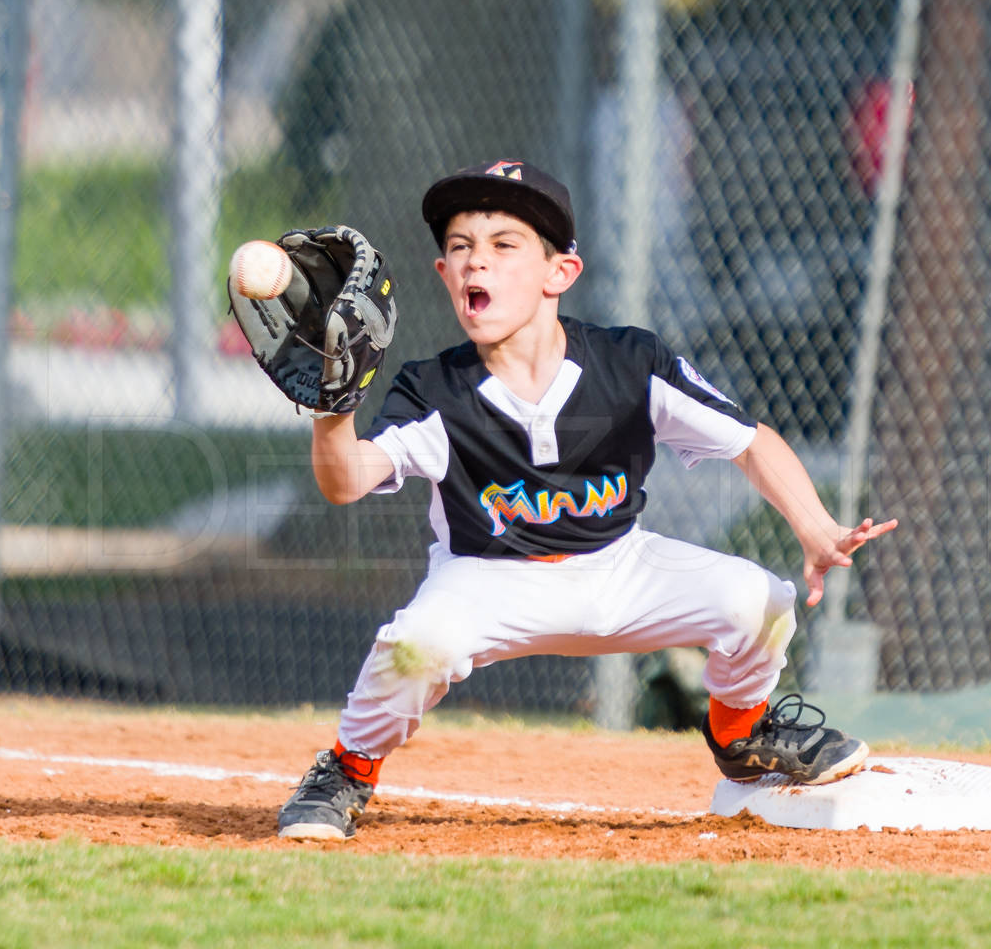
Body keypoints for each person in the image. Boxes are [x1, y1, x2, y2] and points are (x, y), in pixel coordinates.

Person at [276, 159, 898, 841]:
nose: (475, 262)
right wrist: (333, 408)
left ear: (559, 273)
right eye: (459, 248)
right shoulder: (436, 390)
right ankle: (347, 769)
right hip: (487, 579)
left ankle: (742, 736)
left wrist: (814, 527)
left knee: (762, 602)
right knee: (417, 646)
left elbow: (750, 441)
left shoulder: (628, 363)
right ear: (445, 276)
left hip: (620, 565)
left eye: (502, 245)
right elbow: (346, 482)